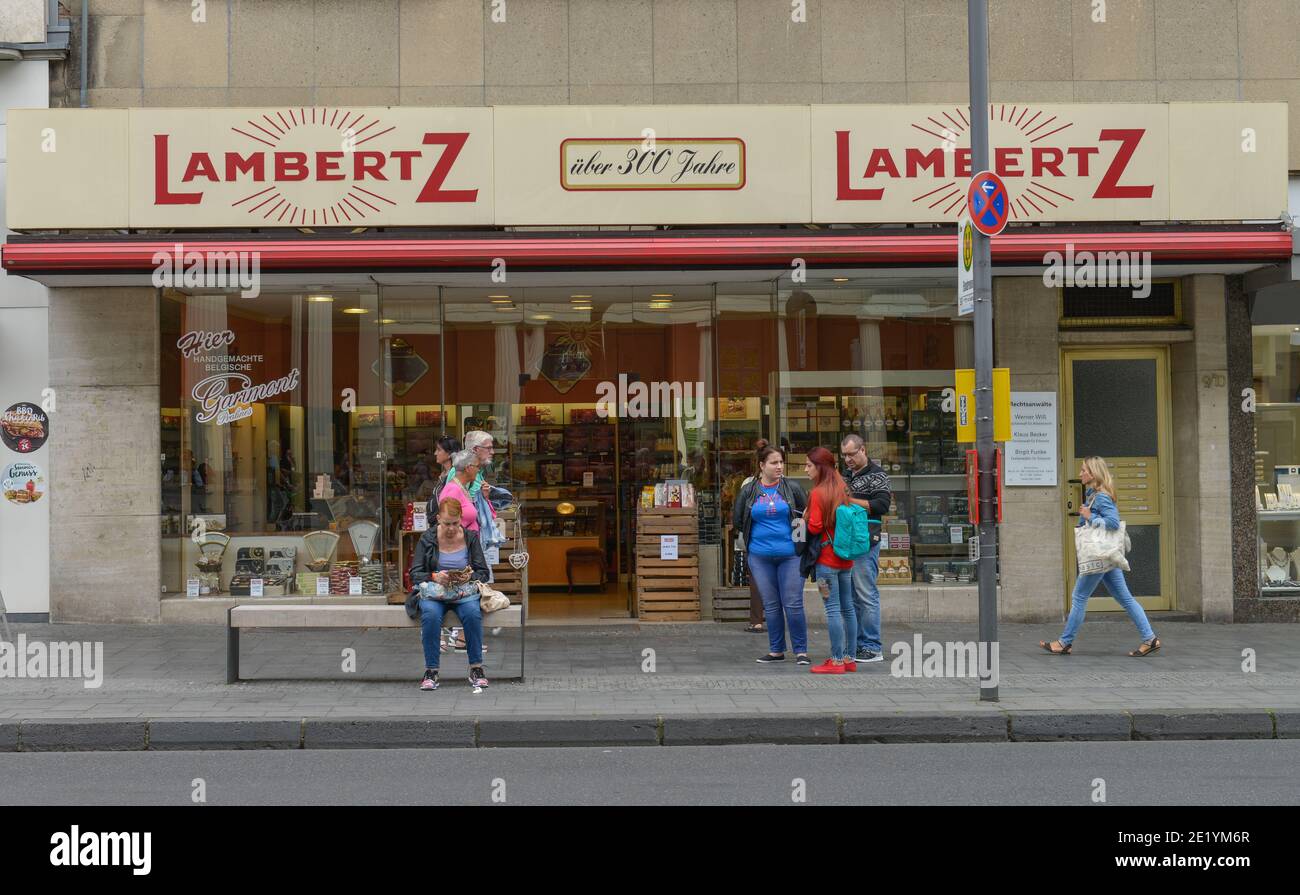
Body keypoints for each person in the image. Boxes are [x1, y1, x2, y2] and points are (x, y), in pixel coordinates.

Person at [1040, 456, 1162, 657]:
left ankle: (1064, 643)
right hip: (1106, 556)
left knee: (1079, 597)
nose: (1080, 474)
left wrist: (1091, 517)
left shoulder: (1101, 497)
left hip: (1099, 556)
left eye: (1083, 470)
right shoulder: (1094, 495)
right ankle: (1150, 639)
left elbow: (1113, 523)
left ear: (1093, 473)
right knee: (1125, 598)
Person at [732, 443, 810, 665]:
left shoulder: (792, 488)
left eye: (781, 462)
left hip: (791, 555)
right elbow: (738, 519)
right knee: (771, 603)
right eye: (774, 462)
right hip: (759, 557)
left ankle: (801, 650)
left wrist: (800, 547)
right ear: (761, 465)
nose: (779, 467)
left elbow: (803, 518)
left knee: (793, 602)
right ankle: (776, 650)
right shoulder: (749, 490)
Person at [405, 498, 491, 690]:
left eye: (455, 523)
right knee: (431, 615)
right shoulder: (428, 538)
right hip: (435, 594)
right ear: (438, 519)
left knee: (472, 614)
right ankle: (431, 670)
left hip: (463, 592)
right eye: (446, 524)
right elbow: (415, 574)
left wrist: (467, 576)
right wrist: (434, 576)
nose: (451, 528)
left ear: (461, 518)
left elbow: (483, 572)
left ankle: (476, 668)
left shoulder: (470, 538)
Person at [804, 446, 858, 674]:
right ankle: (849, 658)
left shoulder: (818, 493)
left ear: (820, 467)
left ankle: (835, 661)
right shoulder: (842, 487)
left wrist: (805, 517)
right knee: (848, 608)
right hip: (845, 559)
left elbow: (815, 526)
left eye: (809, 465)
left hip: (826, 561)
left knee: (832, 609)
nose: (806, 469)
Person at [841, 434, 890, 663]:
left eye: (852, 454)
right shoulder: (846, 475)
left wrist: (849, 500)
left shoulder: (877, 474)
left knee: (866, 594)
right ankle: (857, 644)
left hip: (867, 541)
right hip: (847, 542)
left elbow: (882, 505)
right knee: (851, 597)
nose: (848, 459)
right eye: (844, 455)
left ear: (863, 450)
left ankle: (872, 646)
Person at [739, 438, 770, 634]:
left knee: (757, 581)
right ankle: (775, 618)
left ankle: (757, 620)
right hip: (779, 541)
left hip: (755, 540)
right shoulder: (784, 484)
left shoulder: (748, 484)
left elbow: (738, 514)